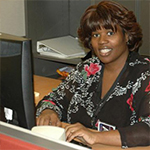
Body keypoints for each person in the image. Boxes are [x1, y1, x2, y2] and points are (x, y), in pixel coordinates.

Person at [36, 0, 150, 148]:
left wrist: (95, 136)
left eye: (110, 33)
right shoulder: (88, 69)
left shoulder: (144, 73)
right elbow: (53, 98)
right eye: (96, 35)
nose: (102, 41)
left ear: (127, 36)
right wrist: (48, 110)